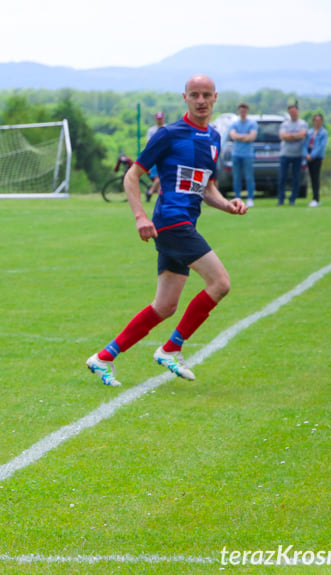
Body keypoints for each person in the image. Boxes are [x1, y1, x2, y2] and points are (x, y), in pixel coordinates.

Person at [86, 74, 247, 387]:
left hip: (183, 224)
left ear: (215, 98)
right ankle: (171, 348)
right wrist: (139, 217)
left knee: (165, 306)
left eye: (206, 95)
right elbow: (132, 176)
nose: (200, 100)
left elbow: (207, 187)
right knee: (220, 282)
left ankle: (104, 357)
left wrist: (228, 205)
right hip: (172, 223)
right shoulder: (168, 135)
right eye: (194, 95)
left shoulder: (214, 138)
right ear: (184, 98)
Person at [228, 103, 258, 207]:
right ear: (238, 112)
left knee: (249, 177)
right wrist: (245, 136)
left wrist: (239, 136)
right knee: (236, 177)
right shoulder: (234, 124)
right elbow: (233, 135)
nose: (242, 113)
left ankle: (250, 198)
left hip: (248, 154)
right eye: (241, 111)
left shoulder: (252, 124)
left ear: (247, 112)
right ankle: (237, 198)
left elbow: (252, 137)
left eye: (244, 111)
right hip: (236, 154)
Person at [277, 104, 307, 206]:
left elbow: (302, 135)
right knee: (282, 178)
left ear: (298, 112)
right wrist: (296, 136)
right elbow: (282, 136)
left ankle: (292, 199)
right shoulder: (284, 124)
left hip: (297, 155)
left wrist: (290, 136)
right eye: (291, 112)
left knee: (296, 178)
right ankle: (281, 199)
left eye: (294, 111)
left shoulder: (302, 124)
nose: (293, 113)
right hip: (285, 154)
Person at [304, 113, 328, 208]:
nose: (317, 122)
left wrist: (312, 155)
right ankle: (313, 198)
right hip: (308, 154)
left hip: (317, 157)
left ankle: (316, 198)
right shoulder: (310, 132)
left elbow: (321, 147)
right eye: (315, 120)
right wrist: (306, 154)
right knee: (311, 177)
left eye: (319, 120)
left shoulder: (323, 133)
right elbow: (305, 144)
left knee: (315, 177)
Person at [145, 111, 166, 202]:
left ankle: (159, 197)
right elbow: (149, 142)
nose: (159, 120)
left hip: (164, 156)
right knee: (157, 177)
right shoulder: (151, 130)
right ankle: (150, 192)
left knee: (161, 178)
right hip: (154, 156)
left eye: (160, 119)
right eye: (158, 119)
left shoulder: (167, 128)